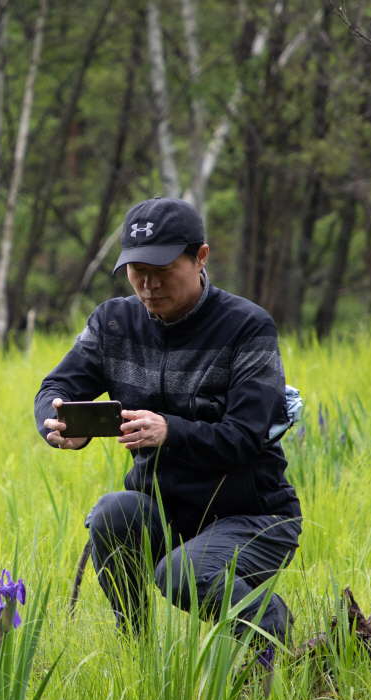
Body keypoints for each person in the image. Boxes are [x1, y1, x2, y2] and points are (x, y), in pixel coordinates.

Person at [34, 197, 301, 655]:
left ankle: (269, 640)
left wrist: (170, 430)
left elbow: (246, 435)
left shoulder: (247, 327)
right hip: (163, 511)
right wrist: (57, 423)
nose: (149, 284)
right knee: (112, 513)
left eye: (163, 269)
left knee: (181, 574)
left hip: (252, 516)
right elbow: (56, 385)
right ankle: (138, 654)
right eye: (137, 270)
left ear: (200, 257)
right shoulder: (112, 322)